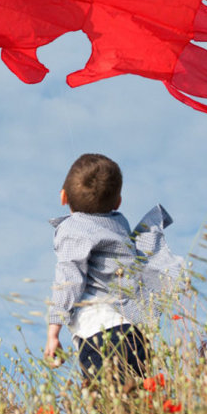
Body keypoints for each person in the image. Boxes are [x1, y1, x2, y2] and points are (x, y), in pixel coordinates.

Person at [44, 153, 184, 383]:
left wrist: (53, 332)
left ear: (63, 196)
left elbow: (69, 280)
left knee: (108, 407)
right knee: (136, 405)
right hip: (134, 334)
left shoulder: (72, 230)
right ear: (118, 202)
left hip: (100, 335)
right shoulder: (118, 224)